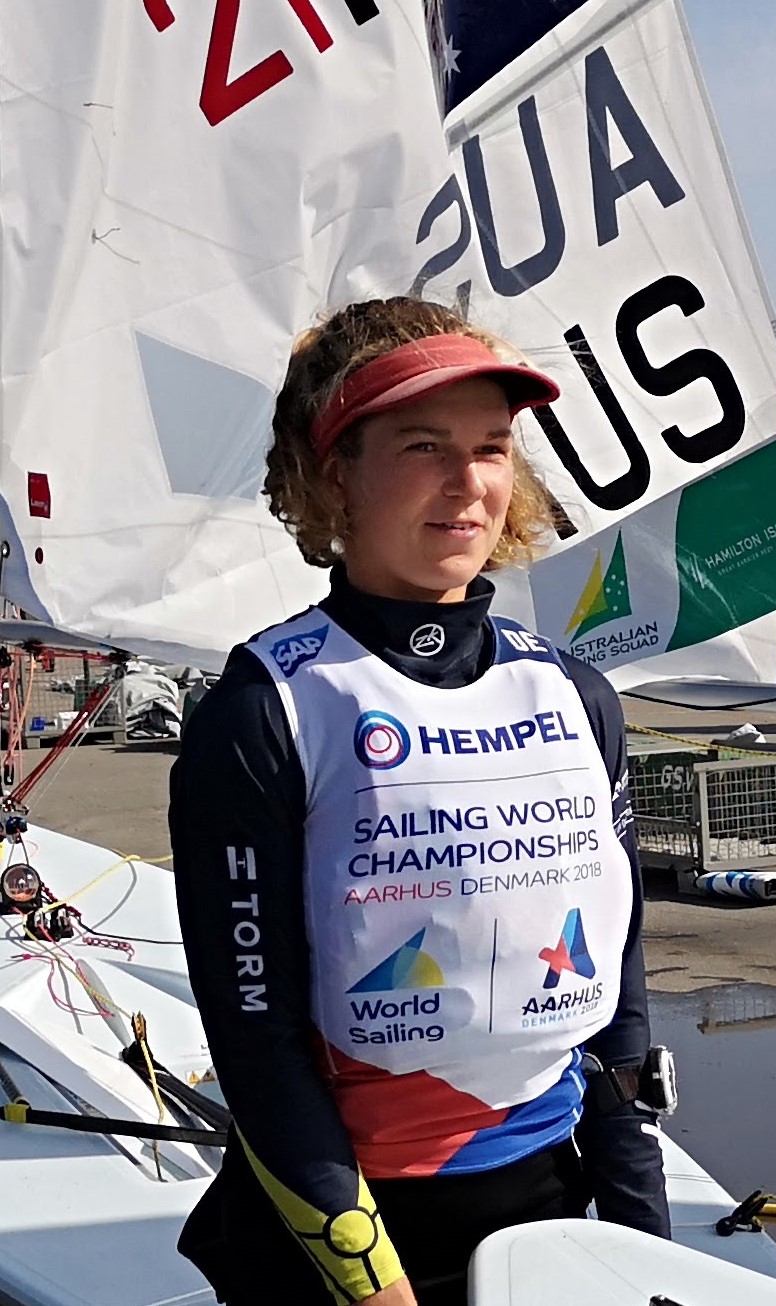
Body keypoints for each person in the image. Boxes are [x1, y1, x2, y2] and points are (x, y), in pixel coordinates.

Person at [170, 297, 669, 1306]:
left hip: (541, 1215)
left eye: (491, 447)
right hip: (335, 1242)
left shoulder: (573, 694)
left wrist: (643, 1239)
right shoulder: (263, 709)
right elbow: (256, 1046)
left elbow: (617, 995)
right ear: (335, 472)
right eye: (423, 444)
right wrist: (372, 1282)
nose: (468, 483)